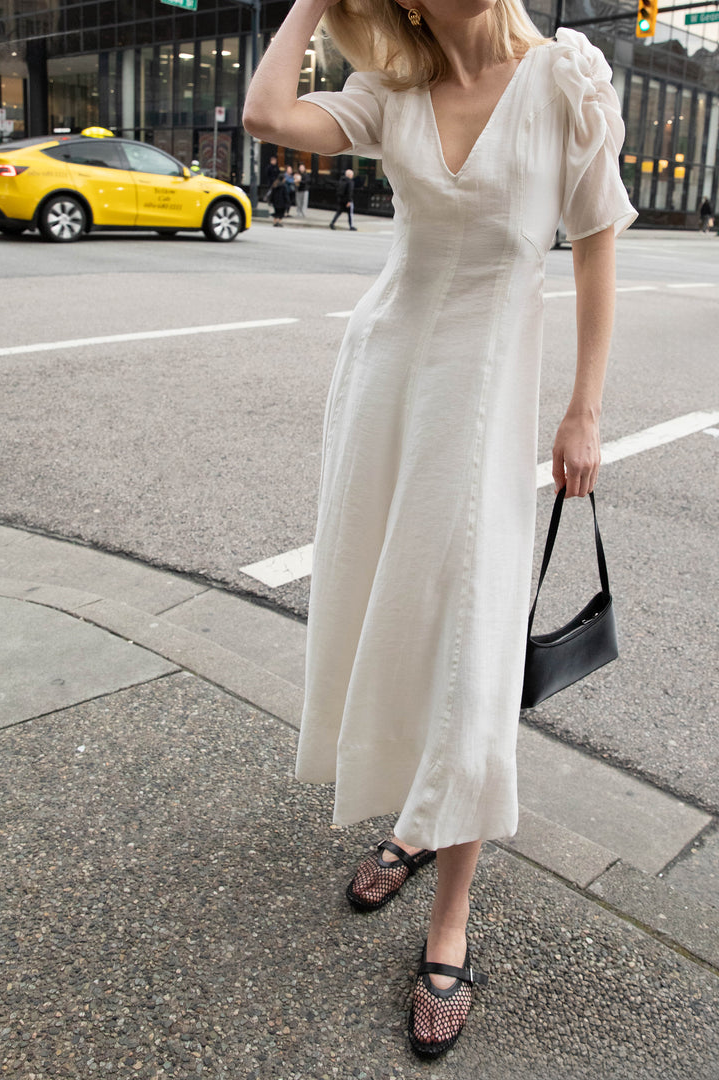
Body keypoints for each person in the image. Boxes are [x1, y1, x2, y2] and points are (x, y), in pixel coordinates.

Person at [243, 0, 636, 1059]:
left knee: (471, 650)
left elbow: (597, 249)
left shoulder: (567, 81)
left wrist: (585, 409)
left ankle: (450, 920)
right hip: (383, 389)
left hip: (486, 404)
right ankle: (415, 820)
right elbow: (268, 113)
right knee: (398, 618)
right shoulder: (395, 90)